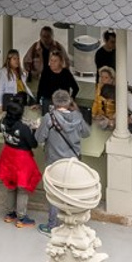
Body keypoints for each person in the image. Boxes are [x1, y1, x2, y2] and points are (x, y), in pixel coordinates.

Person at [36, 91, 88, 234]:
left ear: (54, 101)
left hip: (54, 161)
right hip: (72, 161)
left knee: (54, 194)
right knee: (71, 192)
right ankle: (72, 225)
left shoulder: (49, 118)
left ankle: (52, 226)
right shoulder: (77, 117)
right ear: (69, 101)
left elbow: (39, 138)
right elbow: (86, 133)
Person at [0, 93, 41, 227]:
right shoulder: (23, 128)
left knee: (10, 186)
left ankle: (10, 214)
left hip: (7, 155)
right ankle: (21, 218)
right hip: (22, 159)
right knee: (22, 188)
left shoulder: (3, 122)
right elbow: (33, 144)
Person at [36, 47, 78, 112]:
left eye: (55, 61)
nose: (52, 63)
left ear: (60, 62)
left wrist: (71, 99)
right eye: (51, 60)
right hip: (48, 102)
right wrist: (38, 103)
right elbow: (40, 89)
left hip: (62, 103)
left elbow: (76, 88)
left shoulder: (66, 73)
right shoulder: (46, 72)